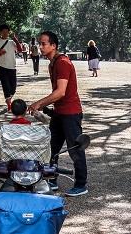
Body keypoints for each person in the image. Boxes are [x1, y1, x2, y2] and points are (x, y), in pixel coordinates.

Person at [29, 30, 88, 197]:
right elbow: (57, 92)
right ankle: (52, 178)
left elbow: (61, 92)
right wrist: (47, 108)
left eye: (43, 44)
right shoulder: (52, 64)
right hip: (59, 112)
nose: (40, 47)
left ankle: (81, 184)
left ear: (53, 45)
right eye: (40, 43)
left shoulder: (62, 62)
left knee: (75, 148)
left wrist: (39, 103)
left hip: (71, 112)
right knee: (52, 147)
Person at [0, 24, 23, 112]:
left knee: (13, 87)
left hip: (12, 66)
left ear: (9, 32)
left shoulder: (12, 42)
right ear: (0, 32)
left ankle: (8, 99)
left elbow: (20, 50)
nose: (5, 33)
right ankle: (9, 103)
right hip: (2, 66)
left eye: (7, 32)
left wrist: (15, 39)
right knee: (6, 86)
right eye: (3, 32)